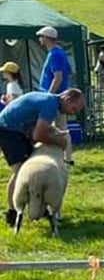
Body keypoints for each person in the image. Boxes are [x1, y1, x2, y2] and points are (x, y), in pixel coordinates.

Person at [0, 88, 85, 226]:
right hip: (7, 129)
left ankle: (39, 207)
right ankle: (12, 212)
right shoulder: (50, 105)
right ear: (66, 99)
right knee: (21, 171)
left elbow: (38, 129)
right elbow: (38, 135)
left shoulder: (49, 101)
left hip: (17, 130)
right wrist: (60, 142)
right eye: (73, 108)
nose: (72, 113)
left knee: (28, 167)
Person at [36, 26, 74, 165]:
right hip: (59, 95)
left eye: (41, 37)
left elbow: (57, 77)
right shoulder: (59, 52)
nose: (40, 39)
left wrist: (49, 95)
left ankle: (67, 158)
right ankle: (64, 157)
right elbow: (68, 72)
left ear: (46, 38)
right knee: (58, 127)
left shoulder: (55, 55)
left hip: (55, 96)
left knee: (59, 127)